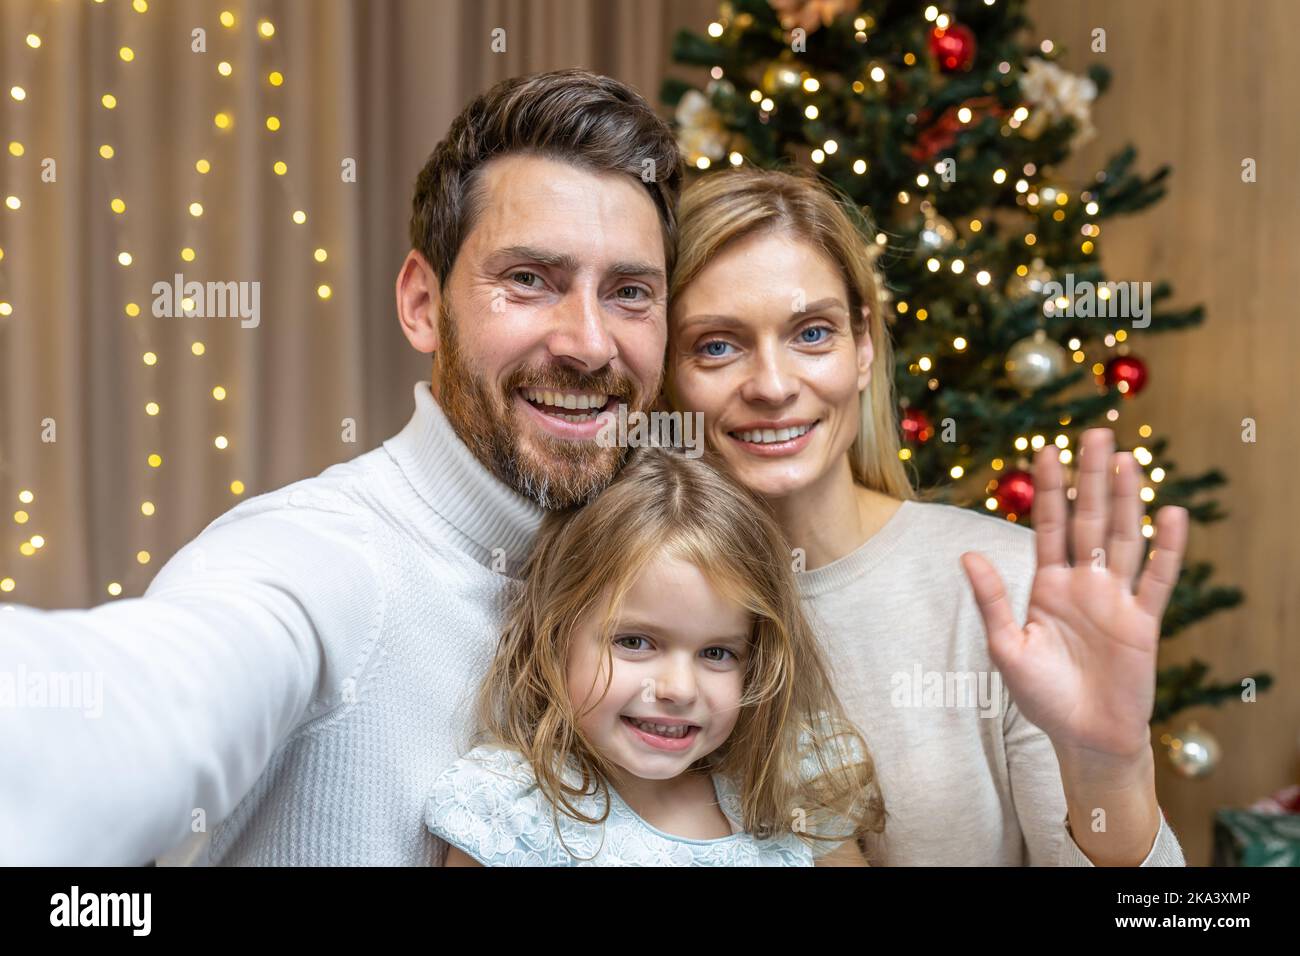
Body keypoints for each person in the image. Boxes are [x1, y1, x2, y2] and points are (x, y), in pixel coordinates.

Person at [0, 69, 683, 865]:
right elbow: (138, 702)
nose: (590, 343)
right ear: (423, 303)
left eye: (630, 292)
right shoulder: (317, 558)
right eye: (529, 281)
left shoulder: (670, 592)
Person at [663, 166, 1188, 866]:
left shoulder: (1004, 589)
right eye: (717, 346)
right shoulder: (628, 601)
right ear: (665, 372)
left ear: (864, 349)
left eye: (812, 334)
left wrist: (1111, 768)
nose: (774, 385)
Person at [427, 445, 883, 866]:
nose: (678, 689)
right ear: (556, 635)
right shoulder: (512, 810)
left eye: (717, 652)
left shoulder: (789, 784)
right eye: (635, 643)